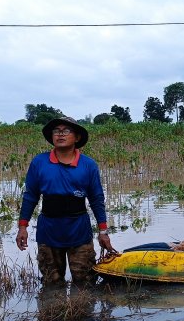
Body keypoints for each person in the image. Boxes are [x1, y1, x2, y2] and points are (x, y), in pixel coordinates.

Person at [16, 116, 115, 286]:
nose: (60, 134)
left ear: (76, 137)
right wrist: (22, 227)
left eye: (66, 131)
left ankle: (83, 312)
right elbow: (30, 196)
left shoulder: (88, 165)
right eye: (57, 131)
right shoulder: (39, 162)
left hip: (79, 231)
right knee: (51, 283)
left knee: (85, 283)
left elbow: (96, 199)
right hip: (49, 231)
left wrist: (103, 232)